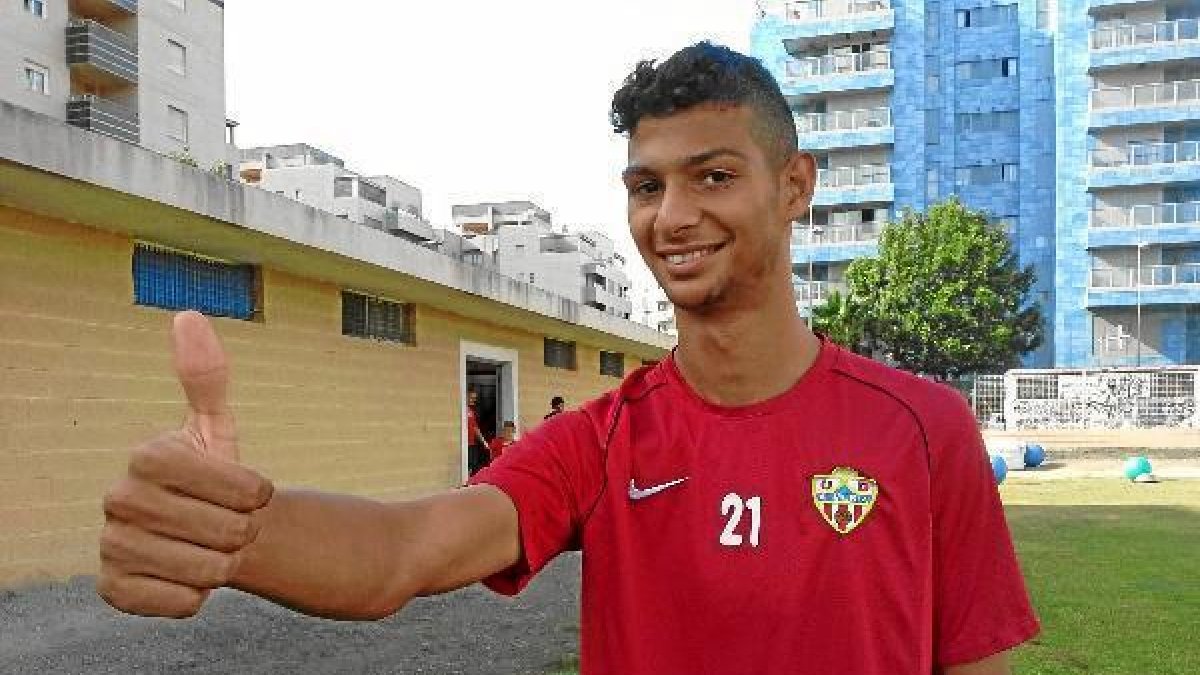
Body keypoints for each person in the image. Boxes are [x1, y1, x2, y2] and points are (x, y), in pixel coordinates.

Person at [97, 42, 1038, 674]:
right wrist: (237, 531)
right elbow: (403, 551)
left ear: (795, 187)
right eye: (645, 185)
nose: (672, 215)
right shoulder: (603, 441)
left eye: (713, 175)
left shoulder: (923, 429)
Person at [465, 388, 489, 475]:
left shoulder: (471, 411)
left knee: (474, 465)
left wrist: (484, 442)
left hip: (471, 443)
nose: (474, 400)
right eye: (472, 398)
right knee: (468, 466)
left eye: (475, 398)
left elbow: (475, 428)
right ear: (465, 396)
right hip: (464, 444)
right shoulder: (462, 410)